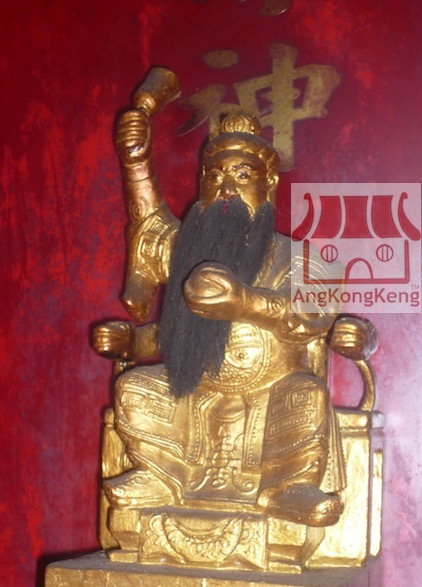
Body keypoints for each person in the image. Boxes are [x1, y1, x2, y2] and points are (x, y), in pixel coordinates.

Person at [93, 107, 377, 550]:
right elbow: (151, 234)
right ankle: (160, 475)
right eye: (215, 176)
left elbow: (313, 315)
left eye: (242, 175)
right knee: (134, 388)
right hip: (195, 392)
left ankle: (289, 487)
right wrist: (136, 161)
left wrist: (244, 302)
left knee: (307, 395)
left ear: (269, 183)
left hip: (273, 390)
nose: (226, 188)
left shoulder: (297, 257)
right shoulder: (188, 252)